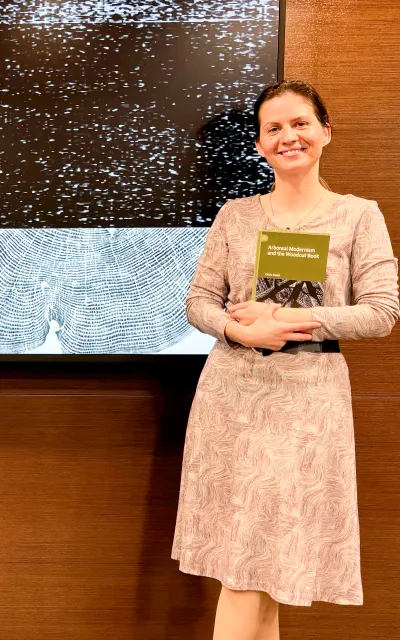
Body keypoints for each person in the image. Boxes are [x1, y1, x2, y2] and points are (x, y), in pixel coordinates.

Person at [171, 79, 400, 640]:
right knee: (245, 563)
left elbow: (382, 311)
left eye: (299, 123)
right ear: (258, 144)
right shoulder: (236, 214)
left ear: (325, 131)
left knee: (263, 565)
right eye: (272, 128)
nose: (287, 137)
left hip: (309, 399)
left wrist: (295, 322)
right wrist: (237, 329)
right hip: (232, 393)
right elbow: (198, 302)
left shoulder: (357, 215)